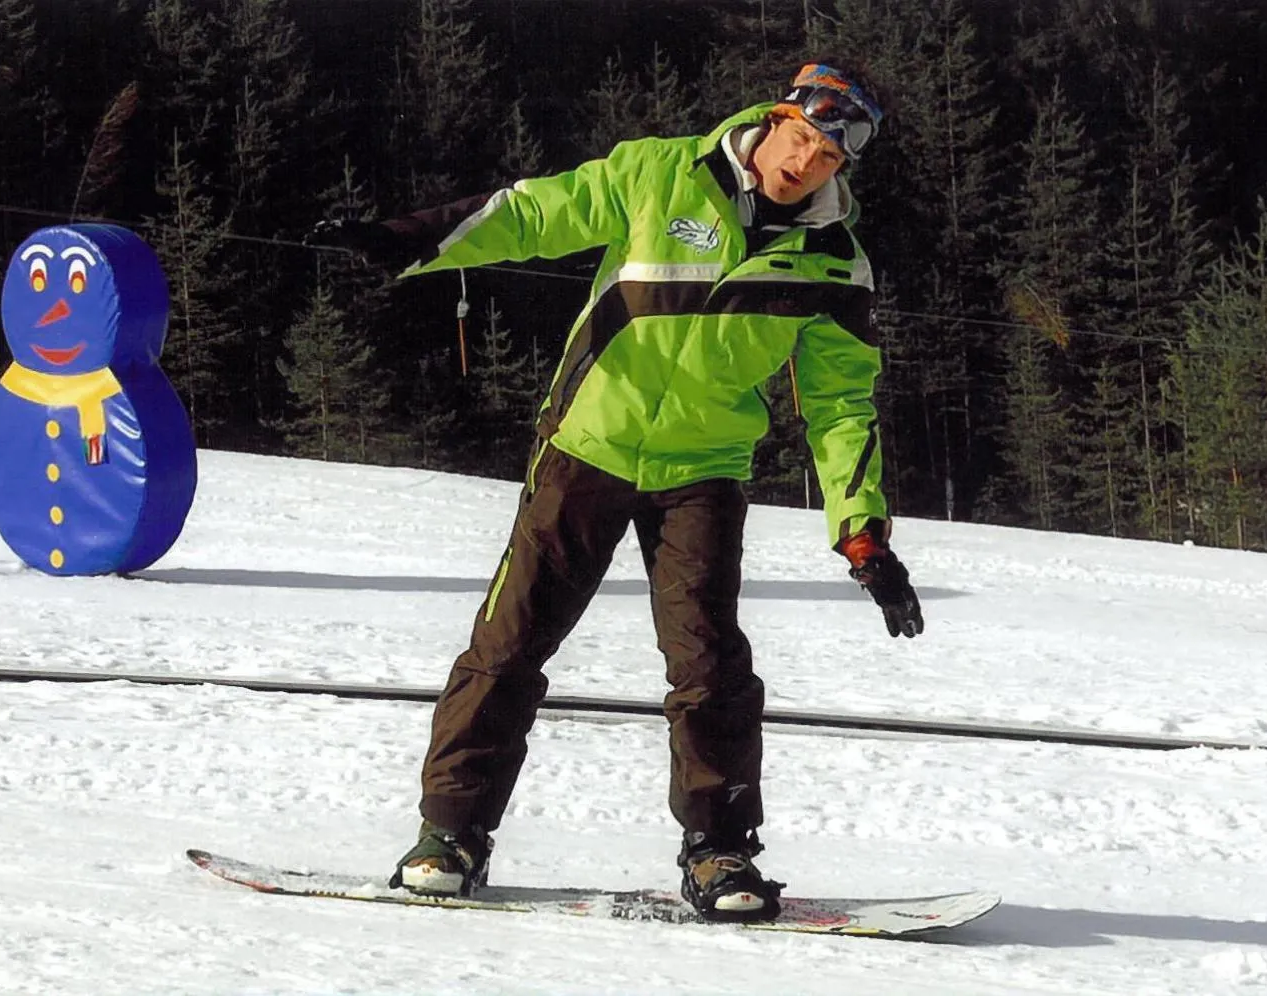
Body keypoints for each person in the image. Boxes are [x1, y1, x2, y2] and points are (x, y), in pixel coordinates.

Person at [308, 61, 923, 923]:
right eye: (801, 139)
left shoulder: (833, 265)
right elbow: (532, 211)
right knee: (509, 643)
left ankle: (718, 851)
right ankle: (450, 835)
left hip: (703, 471)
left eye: (827, 157)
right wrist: (411, 238)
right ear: (776, 116)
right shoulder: (656, 173)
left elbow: (839, 408)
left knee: (709, 666)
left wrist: (862, 536)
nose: (803, 164)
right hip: (587, 447)